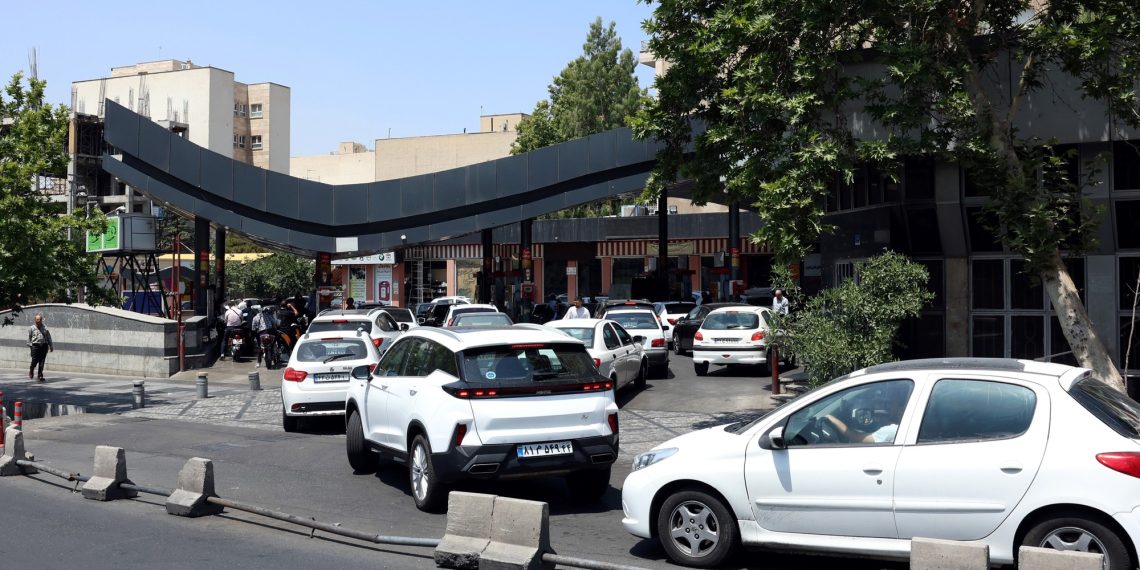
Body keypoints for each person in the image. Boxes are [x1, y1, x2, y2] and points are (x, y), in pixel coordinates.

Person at [27, 313, 54, 381]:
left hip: (44, 346)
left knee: (42, 361)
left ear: (41, 320)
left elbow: (48, 337)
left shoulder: (45, 327)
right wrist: (30, 347)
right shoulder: (32, 328)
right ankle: (31, 369)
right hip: (35, 346)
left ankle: (40, 375)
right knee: (34, 360)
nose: (38, 321)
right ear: (35, 320)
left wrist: (51, 345)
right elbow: (29, 338)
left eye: (39, 319)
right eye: (37, 319)